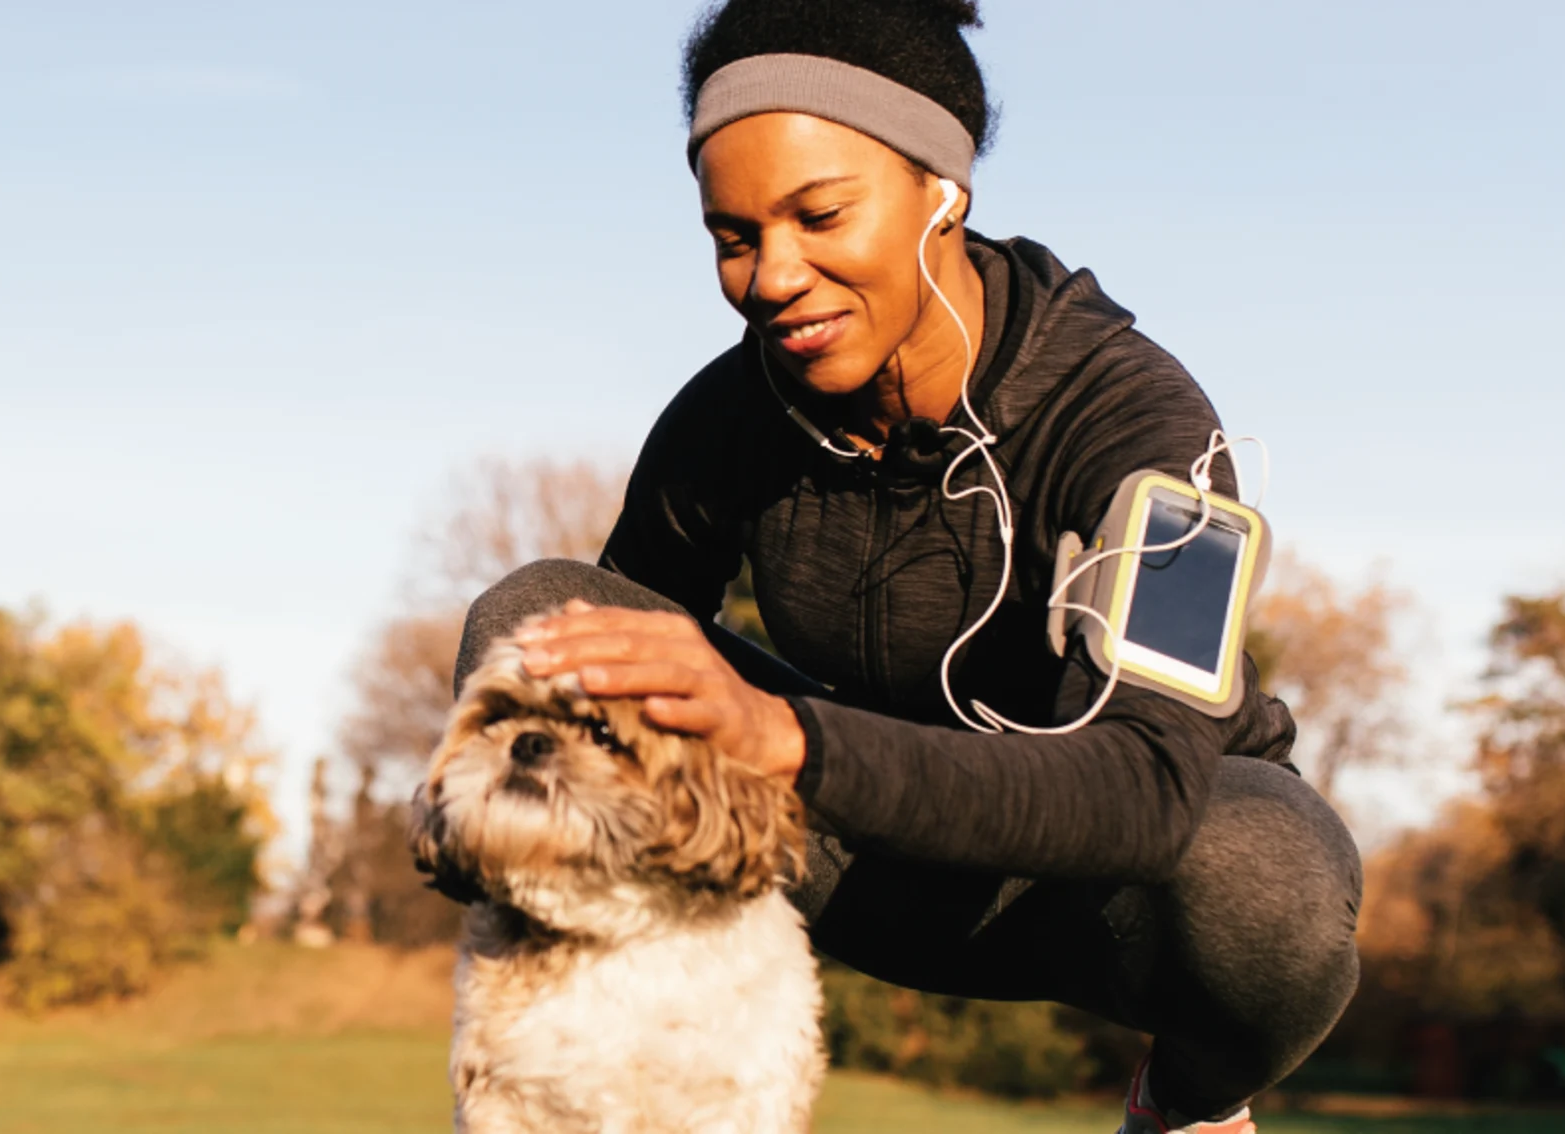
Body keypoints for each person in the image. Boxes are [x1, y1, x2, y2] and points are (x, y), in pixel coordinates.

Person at [446, 2, 1361, 1131]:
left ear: (943, 191)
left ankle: (1186, 1107)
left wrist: (786, 737)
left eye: (819, 214)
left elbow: (1147, 794)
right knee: (536, 613)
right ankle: (596, 1056)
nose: (772, 276)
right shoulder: (728, 416)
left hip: (1102, 893)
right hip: (853, 860)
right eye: (733, 237)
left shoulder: (1142, 421)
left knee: (1268, 873)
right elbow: (605, 668)